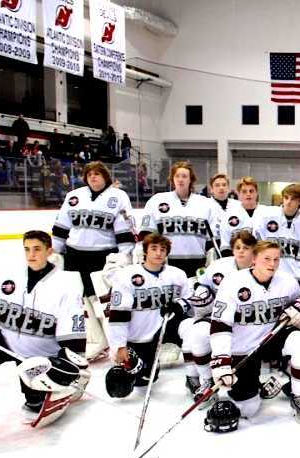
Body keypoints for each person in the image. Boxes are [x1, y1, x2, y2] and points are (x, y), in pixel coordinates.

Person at [0, 231, 89, 428]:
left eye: (37, 249)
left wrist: (71, 369)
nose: (31, 255)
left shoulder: (66, 284)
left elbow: (73, 335)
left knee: (33, 408)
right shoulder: (9, 277)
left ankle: (72, 385)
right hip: (4, 342)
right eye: (27, 249)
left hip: (39, 356)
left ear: (49, 251)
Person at [208, 240, 300, 427]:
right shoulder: (233, 282)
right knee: (248, 409)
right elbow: (220, 324)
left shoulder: (287, 281)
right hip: (243, 348)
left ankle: (298, 394)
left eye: (276, 259)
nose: (272, 264)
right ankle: (260, 385)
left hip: (272, 340)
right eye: (267, 258)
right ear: (254, 259)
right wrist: (222, 361)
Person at [105, 234, 193, 398]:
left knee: (192, 331)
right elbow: (118, 315)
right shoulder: (127, 276)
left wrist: (179, 305)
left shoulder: (177, 274)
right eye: (154, 248)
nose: (158, 253)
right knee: (144, 379)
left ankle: (194, 376)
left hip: (168, 325)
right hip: (140, 336)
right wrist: (119, 346)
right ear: (145, 251)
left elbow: (191, 299)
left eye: (163, 249)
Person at [179, 230, 256, 400]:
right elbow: (203, 285)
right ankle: (206, 380)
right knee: (197, 334)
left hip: (250, 322)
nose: (241, 251)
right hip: (219, 318)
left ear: (254, 250)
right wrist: (202, 295)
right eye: (237, 247)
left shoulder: (261, 268)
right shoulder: (219, 266)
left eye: (246, 247)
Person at [51, 161, 135, 297]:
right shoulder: (73, 196)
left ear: (105, 176)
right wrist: (55, 250)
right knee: (75, 297)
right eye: (89, 174)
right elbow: (61, 226)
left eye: (97, 173)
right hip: (74, 256)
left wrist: (124, 256)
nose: (92, 177)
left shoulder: (119, 196)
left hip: (103, 257)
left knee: (101, 300)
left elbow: (125, 231)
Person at [137, 161, 219, 277]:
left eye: (184, 176)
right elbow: (146, 235)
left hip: (198, 263)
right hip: (166, 263)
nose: (180, 179)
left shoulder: (206, 204)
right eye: (177, 176)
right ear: (172, 179)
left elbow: (214, 239)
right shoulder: (157, 201)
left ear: (191, 179)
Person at [252, 183, 300, 302]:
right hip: (274, 279)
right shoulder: (267, 218)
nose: (288, 202)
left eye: (293, 199)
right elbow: (257, 247)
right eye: (286, 197)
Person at [216, 176, 270, 257]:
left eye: (251, 191)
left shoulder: (267, 213)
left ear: (257, 193)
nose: (248, 194)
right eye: (244, 191)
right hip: (238, 260)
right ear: (238, 194)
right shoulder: (228, 215)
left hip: (261, 259)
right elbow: (225, 245)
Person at [206, 173, 245, 251]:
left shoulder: (239, 205)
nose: (221, 188)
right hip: (213, 245)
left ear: (229, 188)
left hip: (235, 245)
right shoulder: (205, 205)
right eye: (217, 185)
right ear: (211, 189)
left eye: (224, 185)